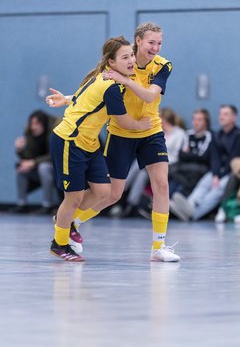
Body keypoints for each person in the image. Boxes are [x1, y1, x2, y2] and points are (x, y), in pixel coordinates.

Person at [47, 22, 180, 262]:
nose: (156, 48)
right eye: (151, 42)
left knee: (162, 185)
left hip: (150, 131)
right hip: (121, 133)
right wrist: (68, 98)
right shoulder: (117, 68)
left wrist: (125, 80)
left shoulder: (162, 65)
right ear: (138, 41)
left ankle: (158, 247)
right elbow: (94, 94)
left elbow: (150, 95)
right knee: (112, 194)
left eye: (159, 43)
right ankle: (71, 222)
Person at [170, 104, 240, 221]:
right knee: (204, 183)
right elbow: (215, 158)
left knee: (218, 189)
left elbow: (234, 160)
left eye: (225, 114)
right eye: (220, 114)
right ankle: (188, 205)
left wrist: (220, 176)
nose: (221, 117)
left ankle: (194, 214)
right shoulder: (217, 136)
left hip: (230, 173)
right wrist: (216, 174)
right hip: (217, 171)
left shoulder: (238, 136)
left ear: (234, 118)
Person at [14, 110, 61, 214]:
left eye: (37, 124)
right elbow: (28, 157)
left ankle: (47, 205)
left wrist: (34, 162)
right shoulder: (30, 132)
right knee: (21, 169)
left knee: (43, 167)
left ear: (43, 123)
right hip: (40, 165)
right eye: (32, 124)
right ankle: (22, 204)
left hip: (57, 168)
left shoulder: (56, 130)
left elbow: (55, 155)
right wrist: (20, 150)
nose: (33, 127)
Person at [168, 108, 212, 197]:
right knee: (171, 170)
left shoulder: (209, 136)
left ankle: (178, 197)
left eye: (199, 120)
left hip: (201, 168)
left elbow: (203, 157)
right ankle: (170, 199)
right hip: (186, 166)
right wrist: (193, 155)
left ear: (206, 122)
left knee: (175, 170)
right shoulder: (188, 134)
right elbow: (181, 155)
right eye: (194, 119)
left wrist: (189, 154)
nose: (195, 122)